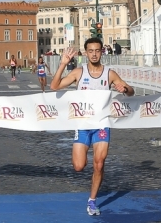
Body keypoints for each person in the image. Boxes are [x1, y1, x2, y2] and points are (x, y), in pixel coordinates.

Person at [50, 38, 134, 216]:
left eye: (97, 50)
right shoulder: (79, 72)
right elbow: (54, 86)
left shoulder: (109, 74)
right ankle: (89, 163)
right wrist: (63, 64)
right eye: (91, 51)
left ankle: (92, 200)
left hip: (102, 124)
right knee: (79, 166)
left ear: (102, 52)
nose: (94, 54)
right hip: (82, 124)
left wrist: (124, 89)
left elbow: (130, 90)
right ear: (86, 53)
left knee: (99, 162)